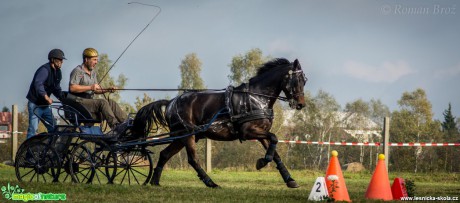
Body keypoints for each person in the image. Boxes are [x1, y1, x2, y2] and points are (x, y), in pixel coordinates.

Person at [68, 48, 127, 133]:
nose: (96, 62)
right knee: (102, 102)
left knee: (111, 103)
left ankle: (126, 123)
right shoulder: (78, 71)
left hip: (89, 101)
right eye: (94, 60)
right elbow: (72, 88)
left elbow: (96, 90)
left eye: (97, 60)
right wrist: (90, 87)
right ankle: (115, 126)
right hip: (78, 102)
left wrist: (107, 89)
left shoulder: (93, 73)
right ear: (86, 59)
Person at [26, 49, 66, 139]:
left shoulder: (58, 72)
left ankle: (49, 150)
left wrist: (63, 99)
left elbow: (56, 88)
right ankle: (27, 152)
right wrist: (47, 97)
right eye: (59, 59)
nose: (61, 62)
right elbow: (38, 84)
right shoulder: (44, 70)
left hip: (45, 106)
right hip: (35, 104)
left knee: (54, 129)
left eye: (62, 60)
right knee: (33, 130)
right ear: (52, 59)